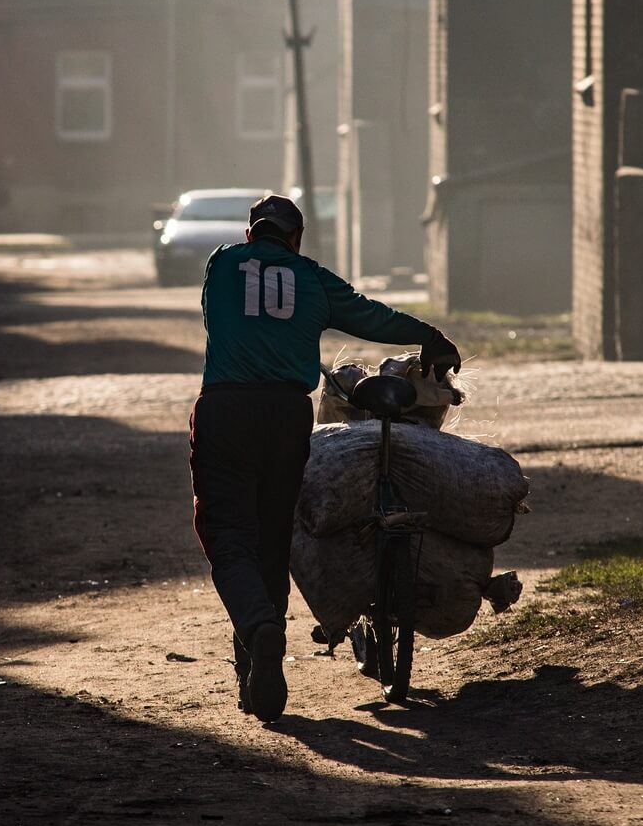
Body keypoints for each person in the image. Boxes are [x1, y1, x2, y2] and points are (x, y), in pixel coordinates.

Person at [190, 193, 460, 724]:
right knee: (272, 540)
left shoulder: (221, 263)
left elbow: (217, 320)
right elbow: (368, 314)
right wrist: (428, 335)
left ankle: (258, 632)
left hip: (225, 411)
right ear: (295, 239)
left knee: (228, 536)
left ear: (251, 234)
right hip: (286, 417)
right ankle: (259, 656)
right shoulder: (310, 276)